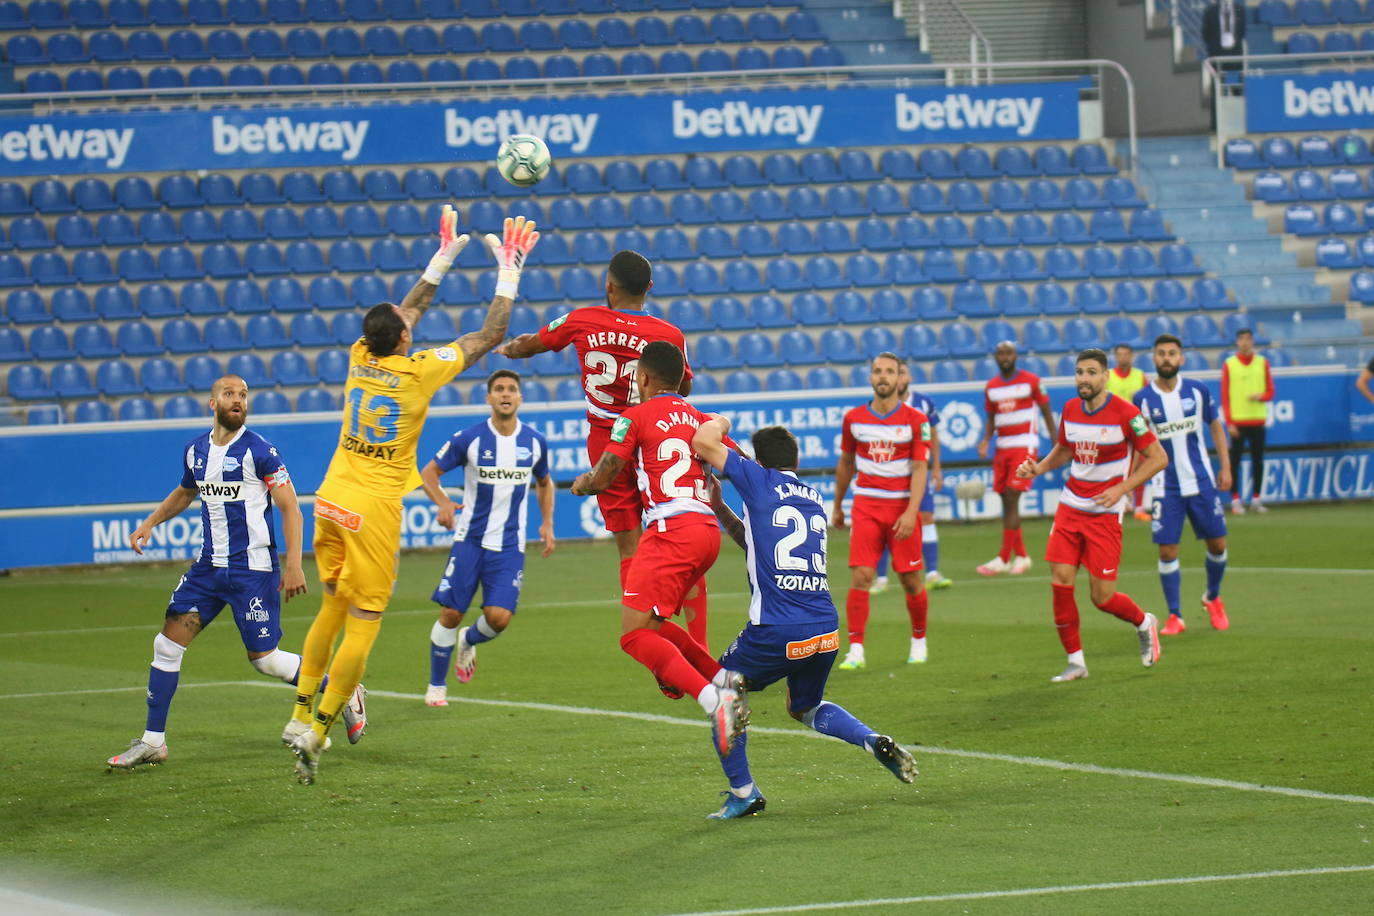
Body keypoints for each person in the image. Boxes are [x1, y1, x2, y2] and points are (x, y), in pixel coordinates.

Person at [286, 209, 539, 784]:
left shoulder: (360, 357)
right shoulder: (419, 370)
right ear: (403, 339)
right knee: (365, 621)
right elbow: (489, 335)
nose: (411, 324)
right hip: (373, 508)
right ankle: (319, 731)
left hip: (328, 499)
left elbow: (405, 310)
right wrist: (509, 270)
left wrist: (442, 258)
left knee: (331, 606)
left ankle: (300, 712)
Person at [691, 419, 918, 819]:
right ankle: (870, 739)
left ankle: (743, 792)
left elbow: (703, 440)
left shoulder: (758, 479)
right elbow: (755, 542)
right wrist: (721, 508)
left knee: (723, 692)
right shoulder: (812, 496)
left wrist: (720, 422)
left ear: (759, 462)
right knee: (804, 706)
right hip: (824, 629)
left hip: (776, 628)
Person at [107, 375, 334, 768]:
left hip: (253, 572)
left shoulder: (261, 451)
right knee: (166, 645)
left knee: (264, 660)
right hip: (209, 571)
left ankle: (342, 691)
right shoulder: (196, 451)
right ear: (212, 404)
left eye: (243, 395)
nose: (238, 400)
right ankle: (153, 742)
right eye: (229, 394)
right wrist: (150, 523)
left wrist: (295, 564)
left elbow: (291, 508)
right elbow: (185, 491)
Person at [497, 250, 711, 647]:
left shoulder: (582, 320)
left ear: (608, 286)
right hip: (657, 435)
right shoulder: (669, 334)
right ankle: (698, 647)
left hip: (606, 444)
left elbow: (534, 344)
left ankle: (650, 638)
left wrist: (509, 349)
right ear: (649, 288)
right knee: (684, 536)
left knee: (629, 544)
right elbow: (683, 388)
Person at [569, 341, 747, 756]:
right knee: (651, 625)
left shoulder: (633, 416)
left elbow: (604, 476)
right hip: (706, 530)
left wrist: (581, 484)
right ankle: (723, 681)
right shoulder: (702, 419)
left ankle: (713, 700)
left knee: (633, 637)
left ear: (643, 378)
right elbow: (738, 464)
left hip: (671, 530)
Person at [1015, 349, 1169, 683]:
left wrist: (1121, 489)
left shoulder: (1126, 414)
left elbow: (1158, 458)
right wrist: (1038, 468)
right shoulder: (1070, 409)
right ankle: (1076, 662)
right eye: (1079, 372)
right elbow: (1066, 449)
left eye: (1091, 372)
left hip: (1104, 514)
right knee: (1060, 580)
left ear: (1105, 376)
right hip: (1070, 507)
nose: (1084, 379)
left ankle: (1144, 622)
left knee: (1102, 597)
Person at [420, 369, 555, 707]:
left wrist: (547, 523)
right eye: (499, 389)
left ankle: (469, 639)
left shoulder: (535, 441)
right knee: (451, 613)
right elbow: (429, 472)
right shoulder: (469, 438)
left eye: (511, 389)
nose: (505, 394)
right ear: (489, 398)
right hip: (470, 541)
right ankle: (437, 685)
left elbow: (545, 482)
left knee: (499, 618)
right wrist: (443, 502)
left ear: (520, 397)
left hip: (509, 547)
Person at [831, 352, 931, 670]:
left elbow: (919, 468)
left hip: (902, 506)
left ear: (900, 378)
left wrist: (911, 511)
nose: (883, 377)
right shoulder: (854, 418)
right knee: (862, 576)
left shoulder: (917, 420)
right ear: (871, 377)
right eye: (878, 371)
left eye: (890, 371)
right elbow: (846, 463)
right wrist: (837, 504)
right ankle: (856, 650)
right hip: (867, 506)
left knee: (911, 579)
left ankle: (919, 641)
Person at [1133, 335, 1232, 635]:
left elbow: (1215, 426)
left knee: (1218, 545)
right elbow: (1137, 446)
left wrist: (1225, 467)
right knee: (1167, 551)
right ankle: (1175, 615)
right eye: (1161, 353)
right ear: (1154, 359)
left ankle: (1212, 597)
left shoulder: (1198, 390)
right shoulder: (1141, 400)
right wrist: (1129, 486)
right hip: (1165, 485)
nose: (1166, 358)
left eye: (1172, 353)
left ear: (1181, 359)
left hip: (1200, 480)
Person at [976, 341, 1055, 576]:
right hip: (1002, 447)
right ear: (996, 357)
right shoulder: (991, 387)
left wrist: (1055, 441)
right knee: (1005, 498)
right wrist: (986, 439)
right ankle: (1021, 555)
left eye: (1008, 353)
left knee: (1012, 494)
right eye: (1000, 353)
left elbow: (1046, 411)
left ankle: (1003, 557)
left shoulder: (1031, 381)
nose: (1005, 357)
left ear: (1016, 356)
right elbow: (991, 418)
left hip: (1024, 444)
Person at [871, 362, 951, 594]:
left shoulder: (923, 402)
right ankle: (882, 578)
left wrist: (936, 468)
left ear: (908, 377)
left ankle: (932, 572)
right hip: (889, 476)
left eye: (902, 372)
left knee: (926, 517)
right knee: (883, 524)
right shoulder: (881, 405)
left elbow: (933, 438)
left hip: (918, 472)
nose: (899, 377)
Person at [1221, 328, 1273, 514]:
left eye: (1248, 339)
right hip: (1238, 421)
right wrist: (1229, 422)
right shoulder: (1230, 364)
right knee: (1235, 461)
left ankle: (1256, 498)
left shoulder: (1262, 363)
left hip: (1257, 420)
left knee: (1257, 461)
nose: (1245, 342)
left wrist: (1261, 396)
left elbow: (1270, 391)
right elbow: (1225, 395)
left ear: (1252, 342)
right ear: (1237, 342)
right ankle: (1235, 499)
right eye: (1241, 339)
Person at [1107, 343, 1152, 522]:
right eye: (1120, 354)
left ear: (1131, 356)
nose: (1123, 357)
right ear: (1116, 356)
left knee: (1141, 465)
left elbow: (1146, 403)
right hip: (1113, 428)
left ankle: (1139, 506)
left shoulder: (1140, 376)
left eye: (1126, 354)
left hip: (1136, 426)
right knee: (1114, 466)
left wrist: (1144, 426)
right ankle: (1118, 501)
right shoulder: (1108, 376)